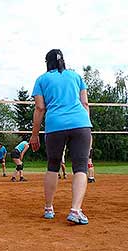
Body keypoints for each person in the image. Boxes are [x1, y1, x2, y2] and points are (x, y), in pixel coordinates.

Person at [30, 49, 92, 225]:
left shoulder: (41, 79)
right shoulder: (76, 76)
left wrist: (34, 135)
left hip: (55, 125)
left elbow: (40, 108)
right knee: (80, 167)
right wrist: (88, 128)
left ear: (47, 62)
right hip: (80, 123)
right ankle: (75, 210)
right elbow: (85, 103)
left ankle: (49, 208)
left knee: (53, 165)